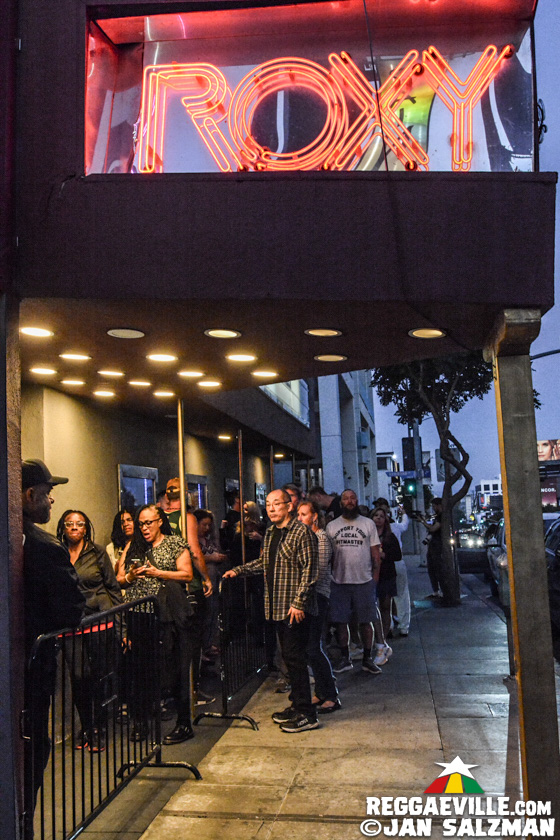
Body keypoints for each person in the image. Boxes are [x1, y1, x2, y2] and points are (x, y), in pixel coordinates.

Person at [223, 489, 320, 733]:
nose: (271, 508)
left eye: (277, 504)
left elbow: (310, 571)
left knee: (296, 661)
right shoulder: (271, 533)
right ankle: (297, 706)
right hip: (275, 606)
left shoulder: (302, 533)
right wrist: (239, 570)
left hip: (294, 608)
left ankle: (307, 714)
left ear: (289, 506)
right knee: (288, 659)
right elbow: (264, 563)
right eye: (268, 504)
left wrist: (299, 603)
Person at [22, 459, 85, 826]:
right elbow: (71, 608)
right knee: (33, 751)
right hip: (33, 670)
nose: (51, 503)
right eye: (47, 495)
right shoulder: (46, 546)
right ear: (30, 495)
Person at [116, 504, 195, 743]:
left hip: (167, 615)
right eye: (141, 523)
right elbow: (119, 578)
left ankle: (183, 723)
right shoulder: (133, 545)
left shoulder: (175, 544)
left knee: (175, 669)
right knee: (140, 670)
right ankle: (140, 723)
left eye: (148, 522)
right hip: (139, 614)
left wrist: (158, 573)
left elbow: (187, 574)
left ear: (160, 521)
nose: (144, 528)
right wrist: (130, 576)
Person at [56, 510, 123, 750]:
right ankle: (86, 726)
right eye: (70, 524)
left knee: (99, 677)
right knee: (78, 678)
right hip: (71, 623)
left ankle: (98, 729)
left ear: (86, 528)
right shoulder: (57, 551)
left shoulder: (97, 552)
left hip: (99, 620)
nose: (74, 527)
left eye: (79, 524)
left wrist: (121, 627)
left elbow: (113, 588)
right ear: (63, 527)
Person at [325, 489, 387, 674]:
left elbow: (376, 554)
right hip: (340, 581)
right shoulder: (332, 526)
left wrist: (374, 579)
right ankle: (346, 658)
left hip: (364, 581)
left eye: (353, 498)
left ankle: (367, 658)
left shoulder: (368, 524)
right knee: (341, 621)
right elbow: (328, 555)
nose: (350, 501)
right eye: (346, 499)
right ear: (341, 502)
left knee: (366, 621)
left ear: (357, 500)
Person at [297, 500, 339, 713]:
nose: (299, 518)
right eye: (299, 514)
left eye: (303, 514)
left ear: (314, 516)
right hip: (308, 597)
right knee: (310, 647)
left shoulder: (321, 538)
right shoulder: (308, 538)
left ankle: (330, 694)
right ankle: (322, 692)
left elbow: (318, 571)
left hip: (318, 596)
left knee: (314, 646)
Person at [194, 508, 227, 661]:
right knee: (204, 615)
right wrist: (211, 558)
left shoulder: (209, 540)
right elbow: (194, 558)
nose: (206, 528)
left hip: (214, 580)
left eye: (209, 525)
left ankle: (208, 644)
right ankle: (201, 649)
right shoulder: (193, 541)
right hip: (202, 582)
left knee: (213, 612)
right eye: (203, 525)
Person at [371, 507, 401, 640]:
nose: (378, 518)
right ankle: (374, 635)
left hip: (386, 574)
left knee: (385, 606)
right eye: (375, 516)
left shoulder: (390, 537)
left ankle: (383, 636)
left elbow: (398, 555)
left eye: (381, 516)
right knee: (371, 607)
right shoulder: (367, 536)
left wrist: (384, 555)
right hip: (370, 574)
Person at [417, 498, 444, 599]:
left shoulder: (442, 516)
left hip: (438, 546)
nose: (433, 508)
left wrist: (423, 522)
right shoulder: (437, 516)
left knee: (437, 569)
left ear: (438, 505)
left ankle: (441, 591)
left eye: (434, 506)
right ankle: (436, 591)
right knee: (431, 569)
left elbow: (433, 529)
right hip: (433, 545)